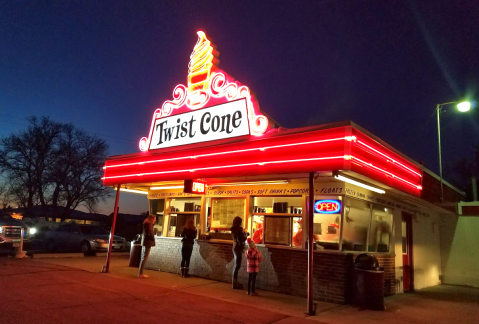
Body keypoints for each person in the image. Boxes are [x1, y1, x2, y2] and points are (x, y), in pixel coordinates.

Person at [231, 216, 247, 289]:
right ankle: (235, 282)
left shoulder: (233, 229)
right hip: (238, 247)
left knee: (236, 265)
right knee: (237, 265)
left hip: (234, 246)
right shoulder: (239, 230)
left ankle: (234, 281)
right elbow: (242, 238)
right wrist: (246, 235)